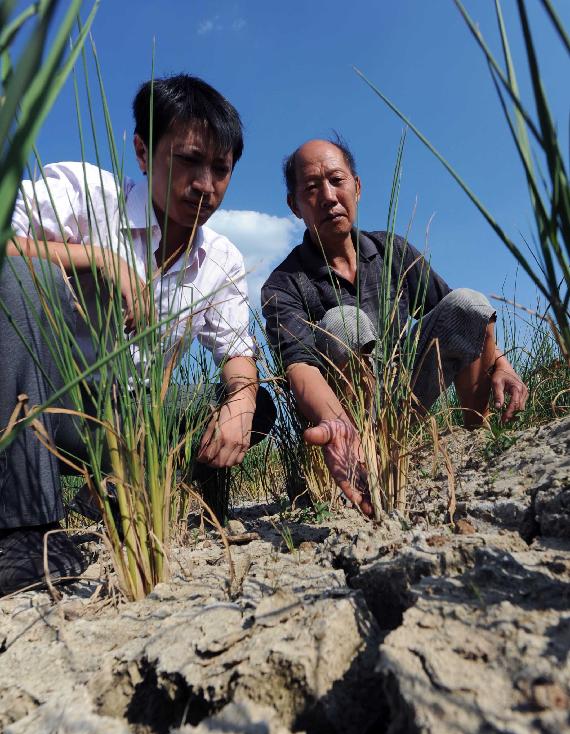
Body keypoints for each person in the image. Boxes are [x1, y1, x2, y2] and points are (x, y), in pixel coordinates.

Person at [0, 74, 275, 595]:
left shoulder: (222, 260)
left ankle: (133, 488)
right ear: (144, 152)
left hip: (138, 424)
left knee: (257, 405)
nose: (205, 185)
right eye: (189, 160)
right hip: (50, 408)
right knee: (14, 276)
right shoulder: (85, 194)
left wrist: (240, 400)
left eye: (221, 169)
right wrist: (95, 258)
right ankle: (24, 531)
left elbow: (237, 352)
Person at [261, 138, 528, 516]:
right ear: (294, 205)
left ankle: (479, 443)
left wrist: (501, 364)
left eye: (337, 180)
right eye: (311, 188)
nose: (328, 196)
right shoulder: (282, 284)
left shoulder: (392, 251)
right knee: (344, 322)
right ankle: (368, 456)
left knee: (471, 303)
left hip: (405, 393)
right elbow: (299, 366)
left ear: (357, 185)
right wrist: (339, 427)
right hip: (345, 412)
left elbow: (457, 313)